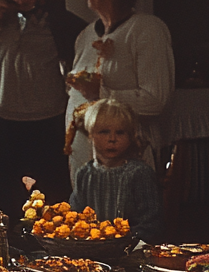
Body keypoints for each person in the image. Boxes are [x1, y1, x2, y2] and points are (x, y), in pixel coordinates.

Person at [0, 0, 86, 211]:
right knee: (1, 196)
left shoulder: (57, 15)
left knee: (50, 195)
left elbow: (81, 51)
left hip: (46, 117)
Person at [66, 0, 174, 183]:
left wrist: (102, 93)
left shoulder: (147, 30)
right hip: (83, 164)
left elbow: (155, 100)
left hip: (127, 165)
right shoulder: (85, 35)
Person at [70, 98, 163, 242]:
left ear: (131, 136)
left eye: (120, 133)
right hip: (91, 248)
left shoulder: (140, 173)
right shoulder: (84, 174)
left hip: (131, 248)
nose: (112, 139)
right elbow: (74, 218)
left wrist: (118, 239)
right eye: (104, 132)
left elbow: (151, 225)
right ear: (91, 135)